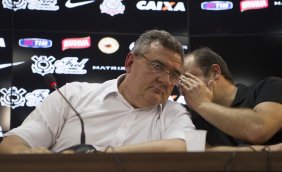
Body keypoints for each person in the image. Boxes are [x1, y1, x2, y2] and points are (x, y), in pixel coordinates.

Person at [0, 30, 195, 154]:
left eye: (174, 75)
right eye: (157, 66)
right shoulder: (72, 96)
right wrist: (24, 154)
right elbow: (14, 143)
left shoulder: (174, 113)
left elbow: (184, 148)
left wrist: (97, 155)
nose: (165, 80)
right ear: (130, 62)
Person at [179, 47, 282, 147]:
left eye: (188, 80)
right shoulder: (195, 118)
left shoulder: (271, 86)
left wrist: (203, 104)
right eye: (179, 85)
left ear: (215, 72)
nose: (182, 91)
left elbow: (258, 129)